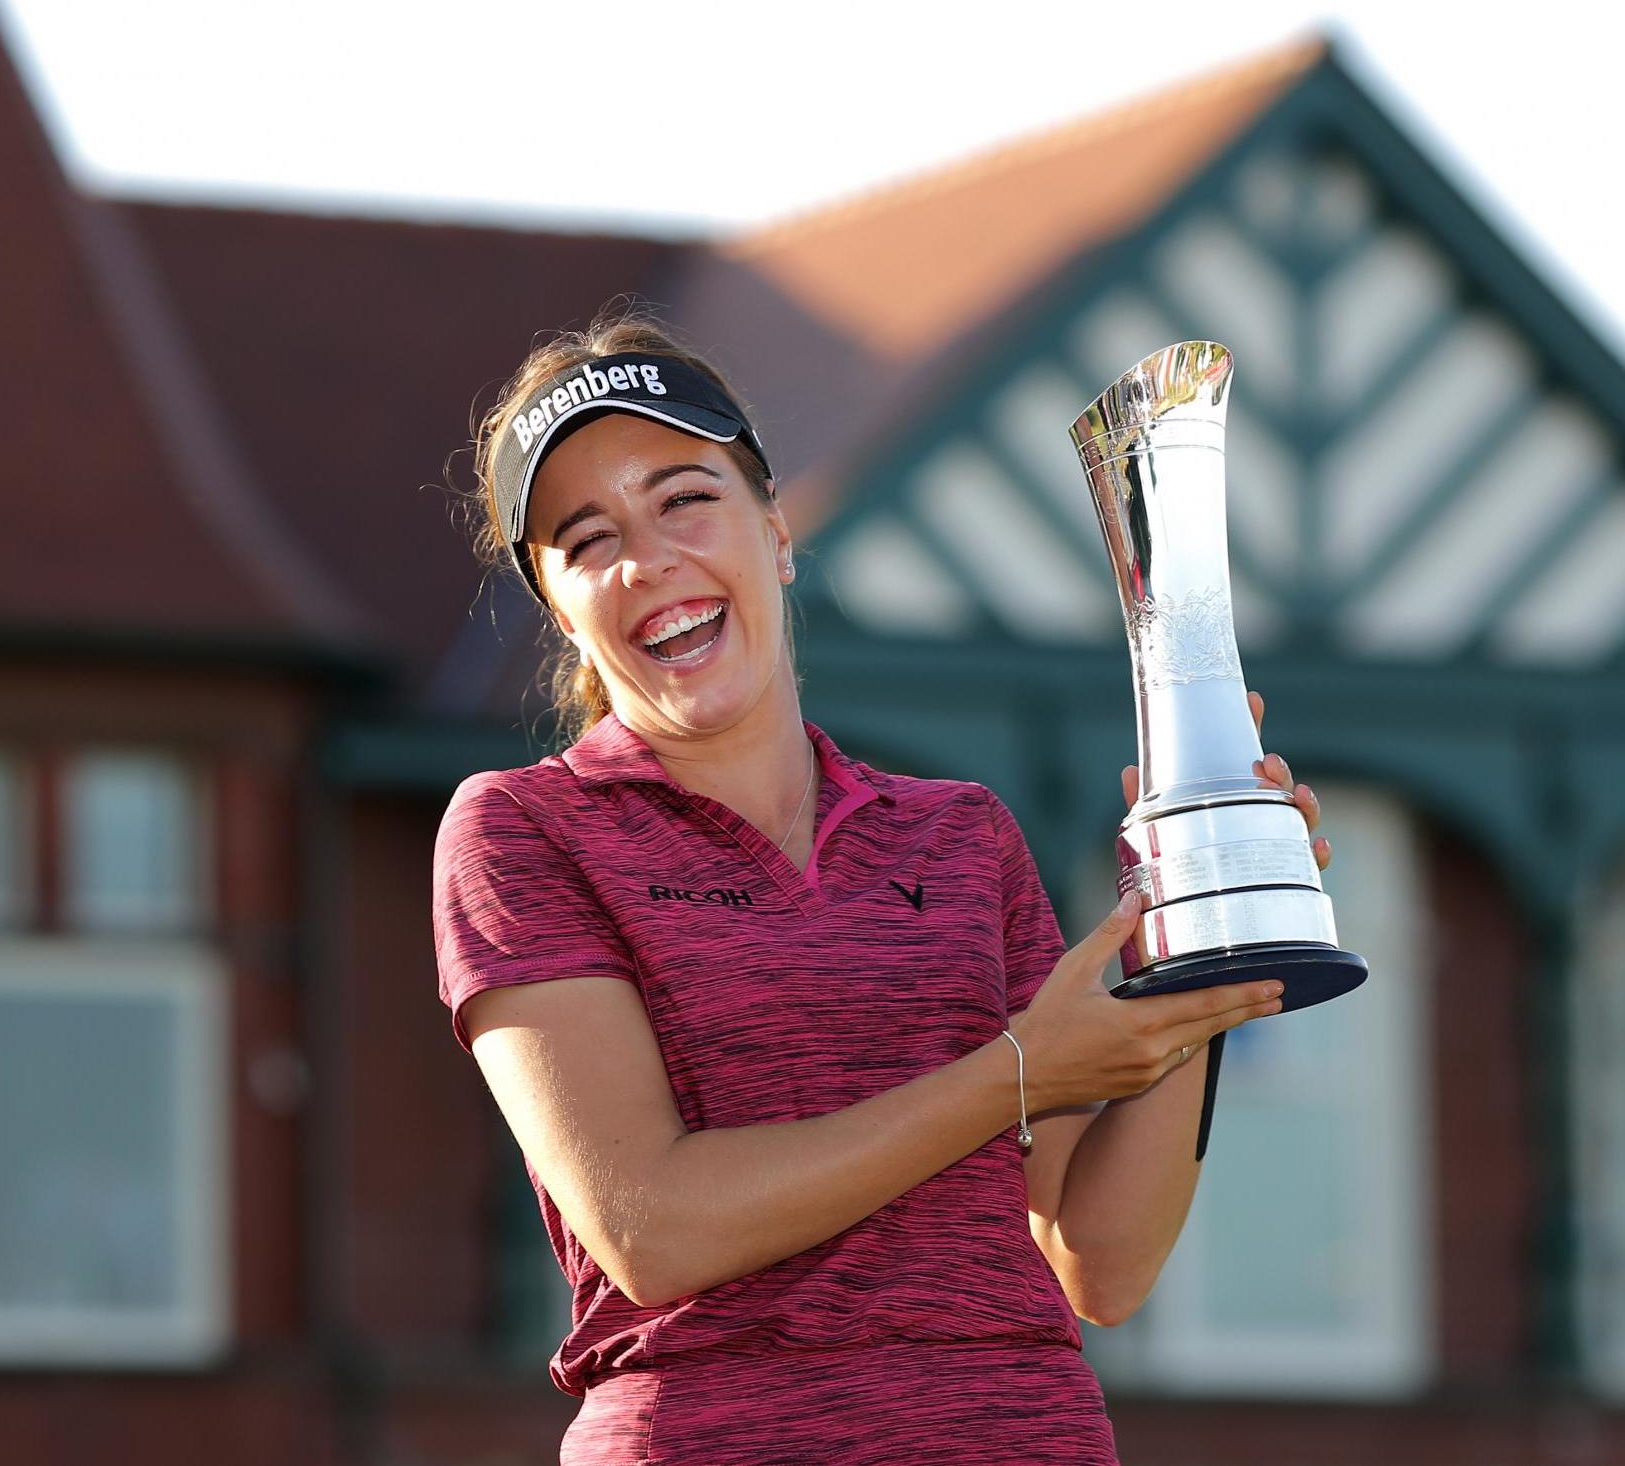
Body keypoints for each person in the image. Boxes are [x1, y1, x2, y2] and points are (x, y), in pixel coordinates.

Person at [431, 307, 1332, 1466]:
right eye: (587, 536)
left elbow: (1100, 1262)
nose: (647, 559)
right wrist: (1009, 1075)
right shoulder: (519, 830)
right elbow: (650, 1226)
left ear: (775, 529)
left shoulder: (959, 834)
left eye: (684, 498)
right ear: (559, 604)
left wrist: (1200, 942)